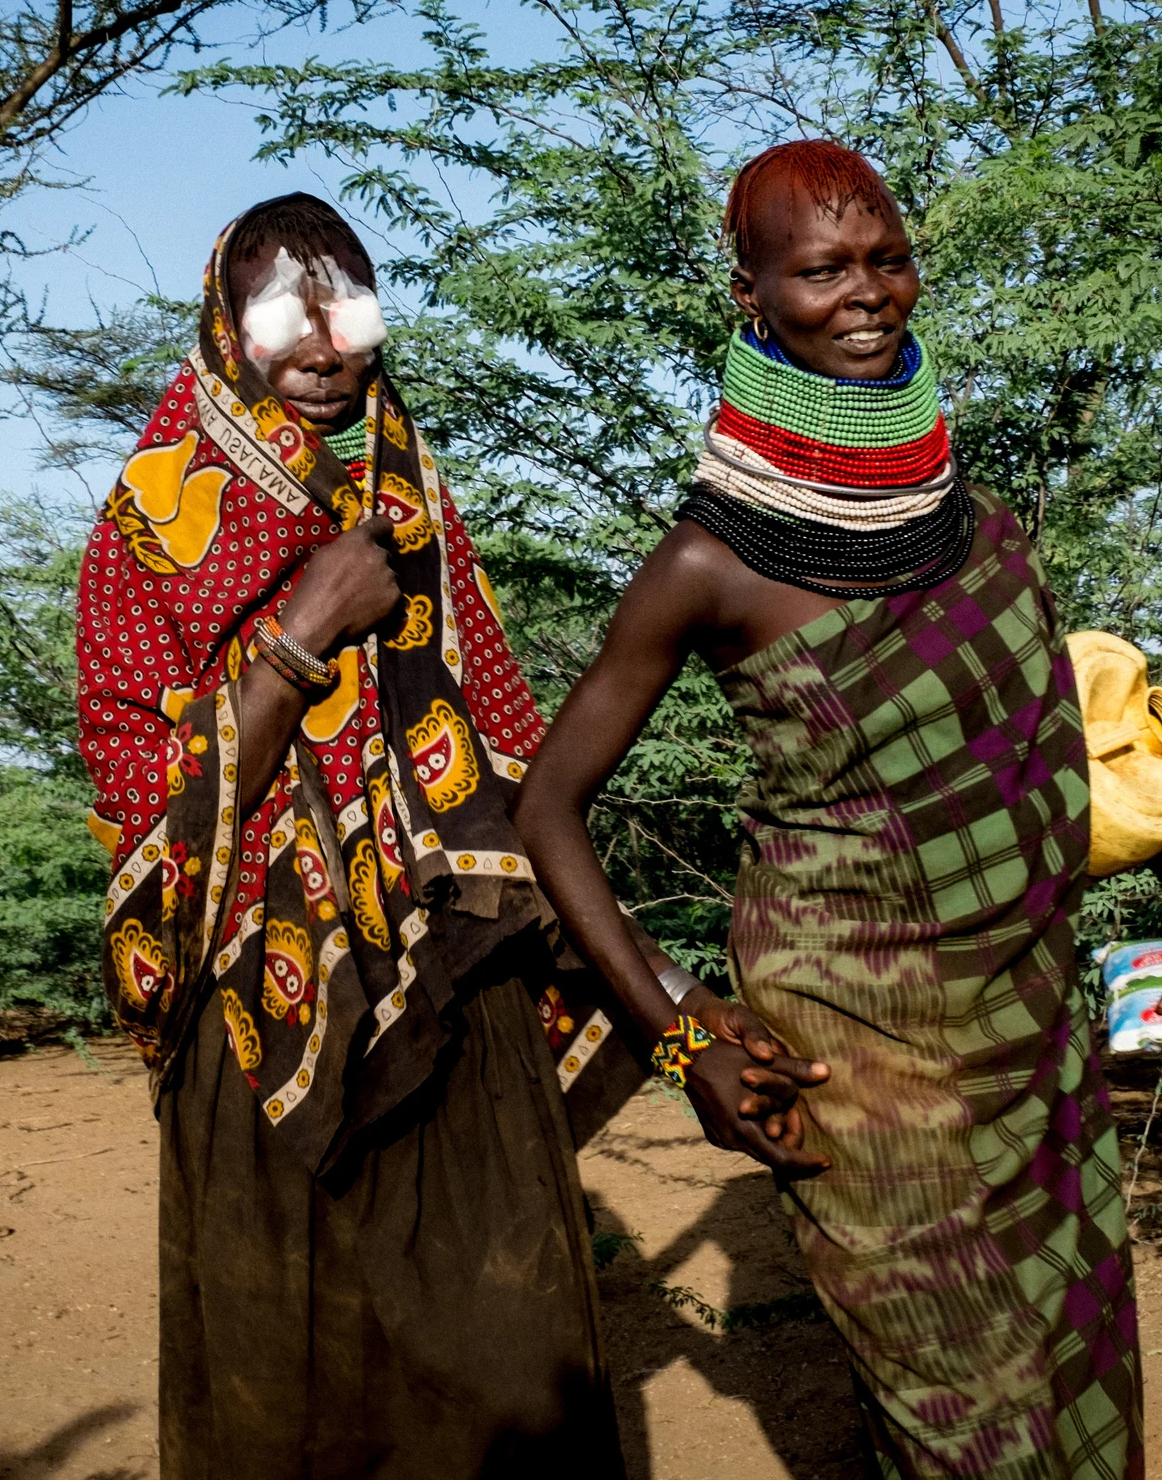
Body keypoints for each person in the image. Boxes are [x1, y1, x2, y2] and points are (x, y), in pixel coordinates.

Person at [513, 140, 1162, 1480]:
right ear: (752, 294)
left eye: (887, 258)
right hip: (855, 1067)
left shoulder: (977, 522)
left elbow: (1067, 723)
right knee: (965, 1418)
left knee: (1079, 1375)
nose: (867, 293)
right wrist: (682, 1042)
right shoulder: (707, 561)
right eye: (822, 269)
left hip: (1035, 1030)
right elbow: (546, 807)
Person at [78, 193, 721, 1479]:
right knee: (286, 1400)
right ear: (223, 325)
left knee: (510, 1362)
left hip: (457, 995)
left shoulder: (414, 495)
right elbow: (153, 828)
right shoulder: (145, 525)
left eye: (349, 311)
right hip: (258, 1026)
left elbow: (513, 788)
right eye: (282, 314)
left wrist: (684, 1019)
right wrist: (300, 634)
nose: (322, 344)